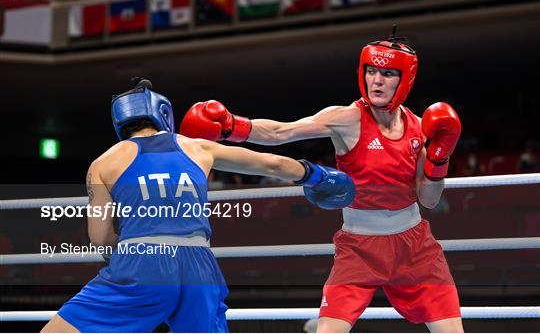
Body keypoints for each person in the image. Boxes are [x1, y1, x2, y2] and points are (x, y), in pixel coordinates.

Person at [180, 30, 464, 332]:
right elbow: (281, 133)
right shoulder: (347, 118)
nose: (377, 80)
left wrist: (439, 157)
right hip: (359, 248)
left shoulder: (420, 128)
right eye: (371, 71)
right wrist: (232, 127)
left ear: (404, 79)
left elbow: (430, 199)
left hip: (415, 246)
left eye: (387, 73)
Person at [41, 78, 355, 333]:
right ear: (162, 113)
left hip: (142, 262)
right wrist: (318, 176)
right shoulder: (196, 147)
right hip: (199, 265)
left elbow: (100, 238)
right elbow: (271, 164)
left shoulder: (103, 163)